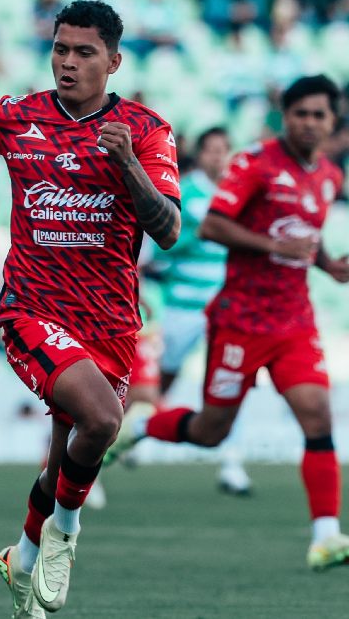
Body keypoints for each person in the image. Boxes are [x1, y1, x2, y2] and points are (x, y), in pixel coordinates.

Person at [0, 0, 180, 618]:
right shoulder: (17, 116)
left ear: (115, 61)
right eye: (60, 49)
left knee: (65, 459)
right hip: (31, 308)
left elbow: (170, 229)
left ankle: (21, 556)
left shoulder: (146, 131)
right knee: (101, 421)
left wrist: (126, 162)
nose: (67, 63)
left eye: (84, 52)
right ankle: (65, 537)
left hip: (113, 324)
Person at [108, 75, 349, 571]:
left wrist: (326, 264)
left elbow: (304, 234)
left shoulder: (328, 176)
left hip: (294, 322)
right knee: (211, 430)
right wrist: (275, 247)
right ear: (285, 116)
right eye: (299, 113)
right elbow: (215, 225)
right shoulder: (255, 163)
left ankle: (325, 536)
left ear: (332, 122)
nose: (308, 122)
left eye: (318, 114)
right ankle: (147, 424)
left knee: (319, 417)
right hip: (240, 320)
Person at [126, 127, 252, 494]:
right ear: (201, 154)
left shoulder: (237, 194)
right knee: (161, 381)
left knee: (230, 380)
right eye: (211, 150)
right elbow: (160, 245)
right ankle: (134, 435)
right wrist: (201, 234)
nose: (218, 157)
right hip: (182, 305)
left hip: (225, 307)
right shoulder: (185, 190)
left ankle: (232, 464)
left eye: (223, 150)